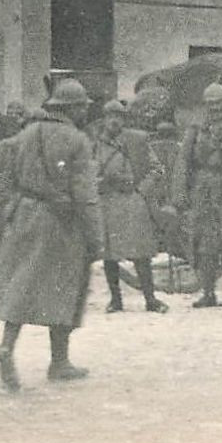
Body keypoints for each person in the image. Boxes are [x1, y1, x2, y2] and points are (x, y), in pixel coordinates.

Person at [0, 79, 103, 392]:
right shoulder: (77, 140)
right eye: (83, 106)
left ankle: (7, 345)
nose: (86, 111)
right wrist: (95, 236)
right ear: (71, 108)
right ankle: (59, 361)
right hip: (63, 223)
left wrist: (8, 202)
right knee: (65, 287)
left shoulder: (24, 134)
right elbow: (85, 195)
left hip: (24, 217)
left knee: (21, 284)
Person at [90, 99, 169, 314]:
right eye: (110, 116)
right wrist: (100, 182)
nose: (114, 121)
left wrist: (141, 189)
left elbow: (157, 169)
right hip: (107, 201)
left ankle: (150, 299)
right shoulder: (96, 144)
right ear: (104, 120)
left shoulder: (137, 141)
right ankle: (116, 300)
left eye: (118, 116)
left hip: (132, 201)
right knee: (109, 254)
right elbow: (88, 172)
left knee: (141, 253)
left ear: (124, 120)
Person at [172, 83, 222, 309]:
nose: (215, 108)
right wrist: (179, 192)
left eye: (219, 103)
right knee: (206, 244)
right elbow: (183, 160)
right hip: (203, 190)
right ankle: (208, 293)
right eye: (210, 104)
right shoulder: (196, 128)